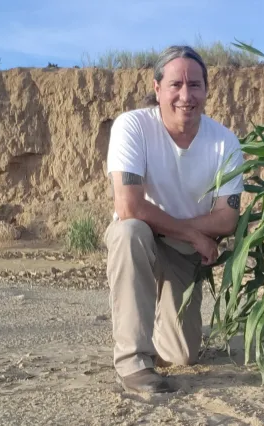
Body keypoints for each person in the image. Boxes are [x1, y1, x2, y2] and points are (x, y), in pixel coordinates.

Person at [105, 45, 244, 394]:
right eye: (175, 85)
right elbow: (129, 206)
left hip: (182, 252)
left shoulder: (224, 142)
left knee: (182, 354)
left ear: (207, 89)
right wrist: (197, 233)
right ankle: (133, 362)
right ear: (157, 89)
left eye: (195, 85)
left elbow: (227, 218)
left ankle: (149, 324)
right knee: (130, 232)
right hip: (144, 239)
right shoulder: (132, 126)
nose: (186, 95)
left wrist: (188, 236)